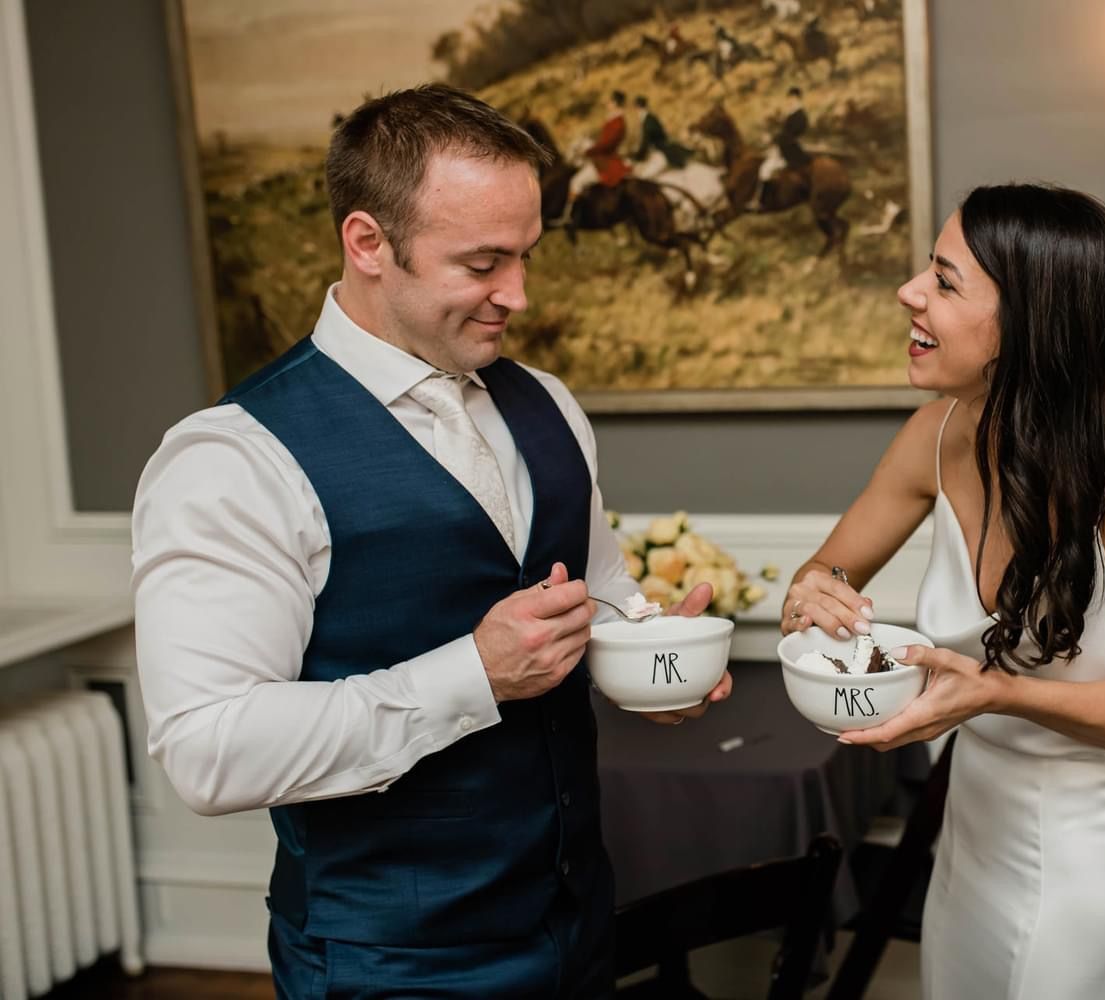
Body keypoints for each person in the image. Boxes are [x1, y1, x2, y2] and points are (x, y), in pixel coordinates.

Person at [133, 84, 731, 999]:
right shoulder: (231, 458)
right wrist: (473, 675)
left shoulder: (550, 405)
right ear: (368, 243)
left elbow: (598, 596)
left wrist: (651, 659)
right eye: (484, 263)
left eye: (527, 257)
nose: (519, 295)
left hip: (576, 928)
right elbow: (209, 750)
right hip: (389, 964)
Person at [780, 183, 1105, 998]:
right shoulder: (938, 431)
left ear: (1031, 320)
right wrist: (815, 595)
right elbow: (825, 570)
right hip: (973, 836)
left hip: (1093, 860)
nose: (910, 292)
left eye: (945, 281)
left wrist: (994, 693)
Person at [566, 90, 631, 213]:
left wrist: (587, 152)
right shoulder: (613, 120)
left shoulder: (618, 123)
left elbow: (606, 145)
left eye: (610, 102)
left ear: (616, 103)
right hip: (602, 158)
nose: (607, 104)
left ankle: (569, 215)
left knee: (576, 181)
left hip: (606, 162)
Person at [756, 86, 809, 210]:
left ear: (797, 99)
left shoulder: (799, 116)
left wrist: (772, 138)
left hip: (791, 151)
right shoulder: (793, 114)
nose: (789, 101)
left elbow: (789, 135)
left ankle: (762, 201)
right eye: (788, 98)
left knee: (765, 170)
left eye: (791, 98)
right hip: (786, 147)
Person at [630, 95, 694, 179]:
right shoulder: (650, 118)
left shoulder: (648, 121)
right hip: (659, 151)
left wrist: (637, 157)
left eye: (635, 108)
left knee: (644, 177)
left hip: (661, 153)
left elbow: (646, 142)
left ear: (637, 107)